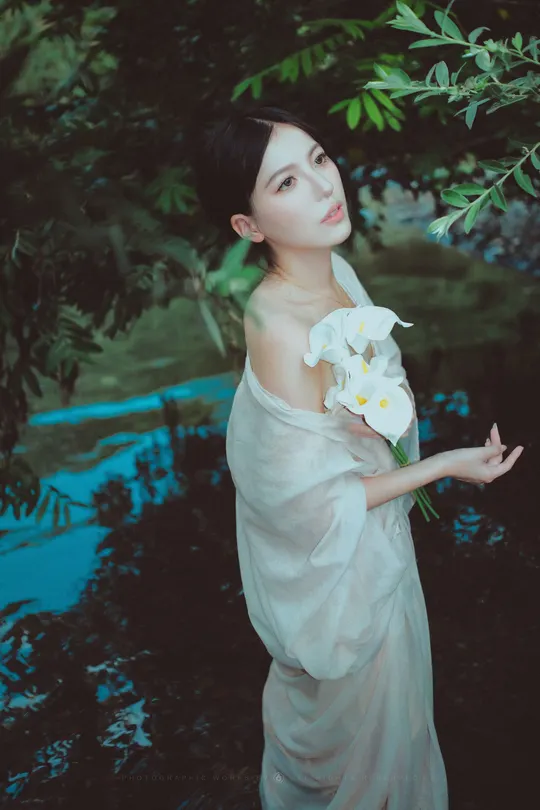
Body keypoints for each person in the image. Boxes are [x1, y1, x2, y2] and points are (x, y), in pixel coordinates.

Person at [189, 105, 524, 810]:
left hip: (380, 546)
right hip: (343, 580)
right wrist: (443, 466)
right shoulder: (279, 329)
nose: (322, 185)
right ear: (248, 226)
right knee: (367, 762)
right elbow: (312, 507)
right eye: (285, 183)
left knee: (404, 731)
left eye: (318, 159)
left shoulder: (337, 269)